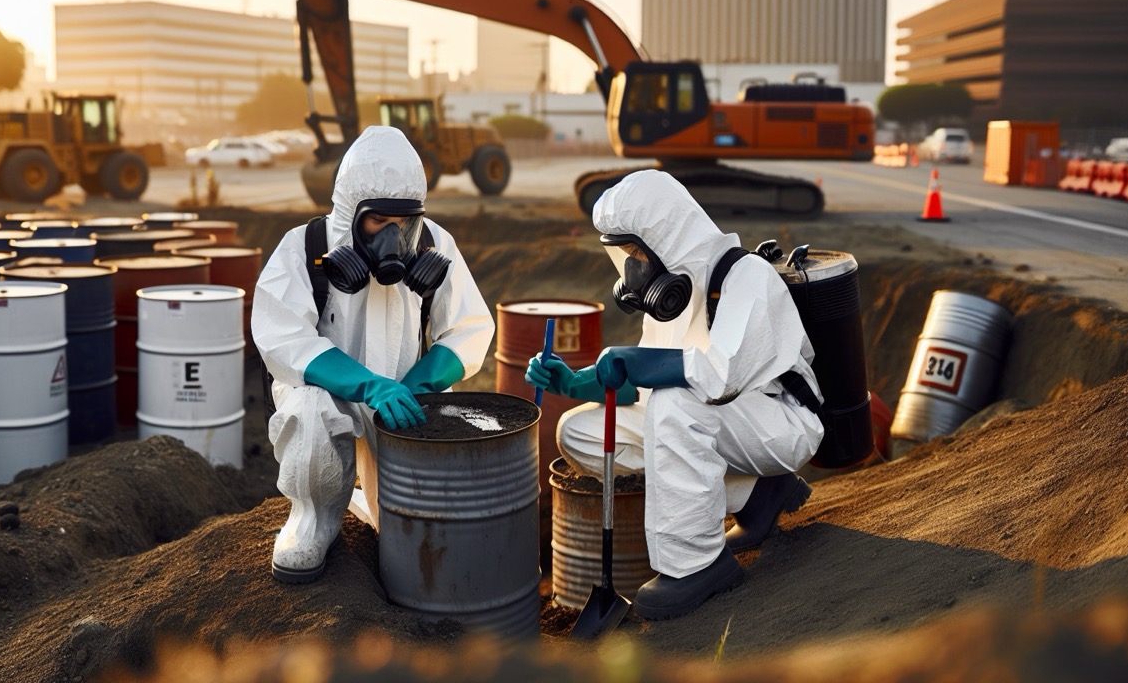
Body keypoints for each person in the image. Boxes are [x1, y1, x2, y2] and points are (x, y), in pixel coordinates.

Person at [527, 170, 823, 620]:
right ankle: (756, 496)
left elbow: (719, 377)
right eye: (623, 255)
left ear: (667, 238)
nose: (631, 269)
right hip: (724, 422)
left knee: (676, 402)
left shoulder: (747, 277)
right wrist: (573, 381)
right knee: (580, 431)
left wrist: (641, 363)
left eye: (636, 253)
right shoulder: (675, 299)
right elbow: (639, 383)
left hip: (781, 421)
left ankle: (698, 565)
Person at [253, 125, 494, 584]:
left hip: (399, 401)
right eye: (378, 222)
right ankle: (313, 521)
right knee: (307, 412)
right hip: (332, 398)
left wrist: (418, 384)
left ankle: (378, 507)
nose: (393, 236)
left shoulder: (433, 245)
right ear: (350, 214)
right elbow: (282, 338)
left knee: (402, 536)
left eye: (403, 222)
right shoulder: (305, 248)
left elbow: (469, 328)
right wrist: (366, 385)